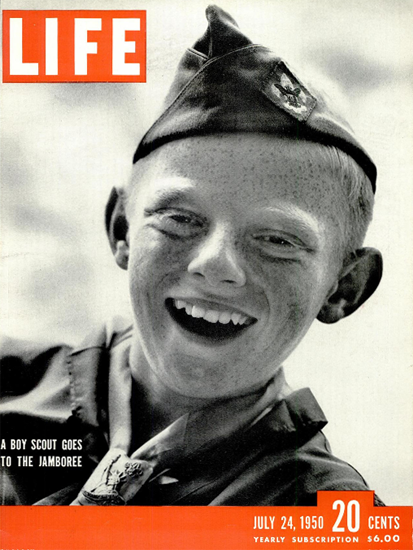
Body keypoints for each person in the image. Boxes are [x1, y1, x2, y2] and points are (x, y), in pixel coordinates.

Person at [0, 5, 384, 506]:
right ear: (122, 229)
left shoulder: (321, 515)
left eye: (277, 240)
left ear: (343, 288)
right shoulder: (11, 386)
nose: (216, 264)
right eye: (181, 219)